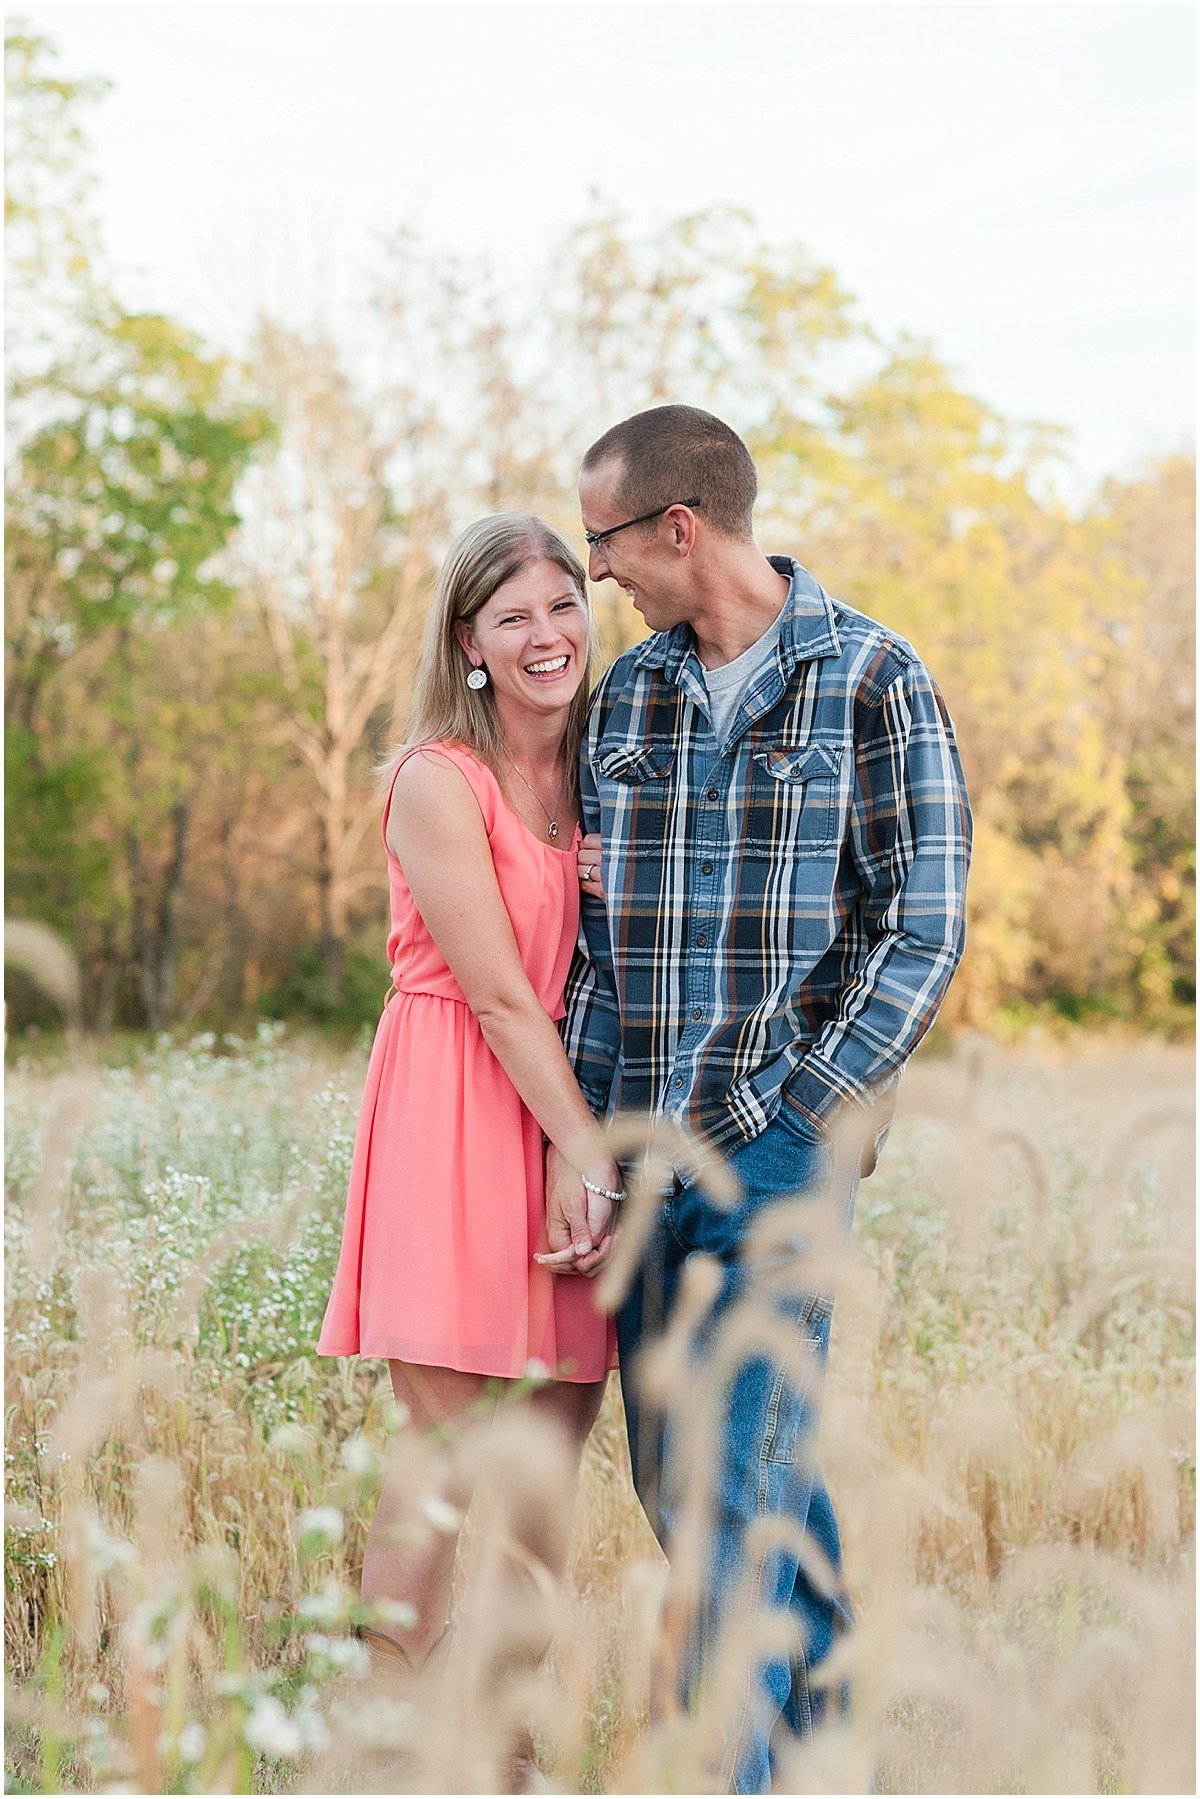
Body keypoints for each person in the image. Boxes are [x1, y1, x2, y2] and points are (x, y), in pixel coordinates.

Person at [540, 405, 972, 1792]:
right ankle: (833, 1746)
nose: (593, 573)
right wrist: (592, 1144)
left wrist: (807, 1110)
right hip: (643, 1149)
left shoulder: (873, 677)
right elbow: (604, 945)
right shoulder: (634, 695)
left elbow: (922, 925)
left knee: (731, 1502)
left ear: (678, 526)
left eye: (601, 540)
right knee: (696, 1483)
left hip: (781, 1159)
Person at [317, 513, 620, 1697]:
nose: (548, 635)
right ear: (469, 641)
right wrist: (584, 1149)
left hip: (566, 1101)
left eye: (563, 604)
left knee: (555, 1440)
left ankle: (499, 1726)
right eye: (513, 616)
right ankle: (389, 1720)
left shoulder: (606, 764)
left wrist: (622, 869)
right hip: (462, 1101)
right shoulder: (435, 778)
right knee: (441, 1441)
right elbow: (497, 992)